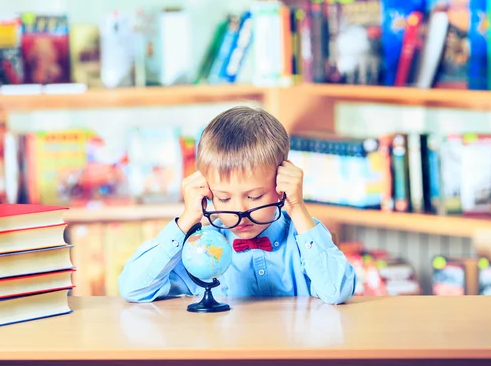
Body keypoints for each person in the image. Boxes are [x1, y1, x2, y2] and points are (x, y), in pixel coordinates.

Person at [118, 106, 356, 304]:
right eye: (223, 198)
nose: (240, 212)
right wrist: (186, 220)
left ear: (281, 181)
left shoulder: (305, 236)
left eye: (254, 197)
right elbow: (134, 289)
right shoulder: (201, 248)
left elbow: (337, 291)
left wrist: (297, 207)